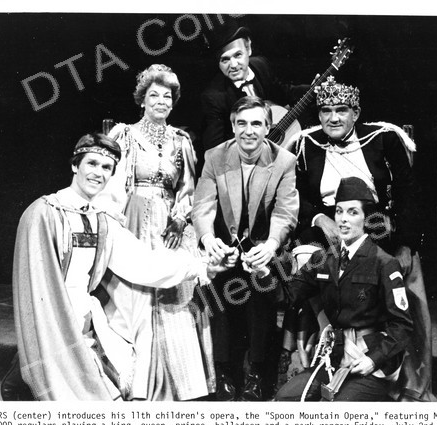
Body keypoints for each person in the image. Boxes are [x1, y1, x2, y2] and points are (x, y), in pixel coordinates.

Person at [6, 133, 228, 401]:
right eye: (91, 163)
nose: (98, 173)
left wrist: (202, 265)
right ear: (75, 166)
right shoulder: (44, 213)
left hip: (85, 325)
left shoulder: (102, 221)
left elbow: (144, 263)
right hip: (51, 325)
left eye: (106, 167)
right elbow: (35, 289)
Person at [285, 75, 434, 401]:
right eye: (325, 111)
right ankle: (326, 347)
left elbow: (409, 193)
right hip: (327, 224)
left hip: (376, 222)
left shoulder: (383, 138)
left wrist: (406, 243)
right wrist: (320, 218)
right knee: (306, 259)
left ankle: (410, 380)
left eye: (341, 110)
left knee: (401, 270)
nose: (333, 118)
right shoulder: (307, 144)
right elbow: (296, 195)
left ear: (356, 113)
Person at [97, 64, 214, 401]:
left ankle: (180, 383)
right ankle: (137, 381)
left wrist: (180, 218)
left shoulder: (181, 140)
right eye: (154, 95)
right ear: (142, 100)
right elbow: (112, 184)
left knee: (174, 293)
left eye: (167, 97)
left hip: (168, 224)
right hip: (133, 217)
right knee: (136, 294)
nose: (161, 101)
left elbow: (189, 187)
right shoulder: (125, 134)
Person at [192, 95, 299, 401]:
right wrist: (209, 241)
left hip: (265, 248)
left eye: (256, 124)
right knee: (217, 287)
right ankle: (225, 374)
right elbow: (203, 206)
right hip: (225, 248)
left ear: (267, 128)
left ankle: (256, 374)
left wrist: (270, 246)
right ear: (233, 126)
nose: (248, 131)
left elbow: (285, 212)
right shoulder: (215, 156)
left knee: (260, 288)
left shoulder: (284, 161)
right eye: (241, 123)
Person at [274, 177, 413, 401]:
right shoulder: (322, 259)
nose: (343, 219)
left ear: (366, 218)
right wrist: (264, 273)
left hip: (369, 361)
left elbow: (402, 326)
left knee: (339, 409)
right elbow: (290, 296)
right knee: (286, 398)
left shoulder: (384, 263)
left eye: (352, 212)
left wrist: (374, 360)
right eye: (339, 211)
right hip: (335, 358)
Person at [200, 21, 311, 151]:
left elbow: (285, 92)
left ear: (248, 48)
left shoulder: (261, 65)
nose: (234, 65)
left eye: (238, 55)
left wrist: (314, 87)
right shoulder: (213, 97)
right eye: (225, 59)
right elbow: (215, 150)